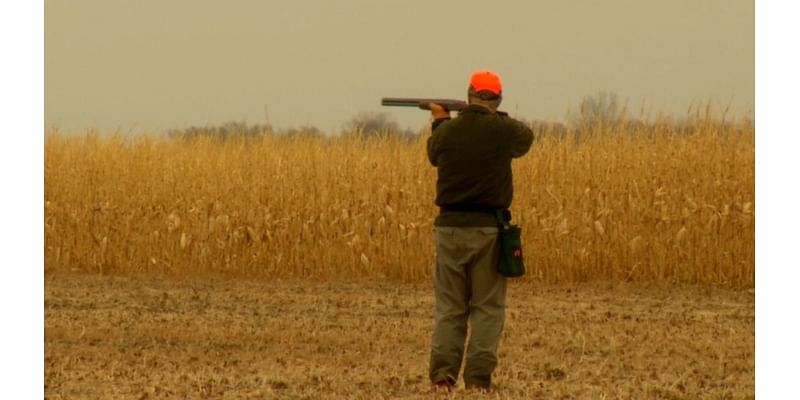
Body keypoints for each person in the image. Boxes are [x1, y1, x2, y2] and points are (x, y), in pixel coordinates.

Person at [426, 70, 534, 392]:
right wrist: (492, 117)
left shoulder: (449, 131)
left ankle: (443, 378)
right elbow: (525, 139)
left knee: (450, 307)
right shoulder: (503, 130)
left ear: (469, 94)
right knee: (487, 308)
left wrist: (440, 119)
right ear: (497, 98)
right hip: (488, 230)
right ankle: (477, 381)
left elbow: (433, 153)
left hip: (449, 230)